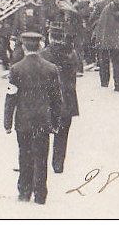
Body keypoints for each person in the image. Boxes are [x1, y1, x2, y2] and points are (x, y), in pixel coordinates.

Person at [3, 32, 63, 205]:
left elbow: (11, 97)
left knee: (24, 155)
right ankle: (40, 195)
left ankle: (24, 192)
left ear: (23, 46)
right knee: (41, 157)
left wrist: (8, 122)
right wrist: (56, 122)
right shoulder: (51, 68)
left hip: (23, 120)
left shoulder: (16, 69)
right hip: (43, 120)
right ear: (40, 46)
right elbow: (56, 99)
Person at [41, 22, 79, 174]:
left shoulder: (44, 54)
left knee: (43, 134)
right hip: (67, 100)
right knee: (62, 135)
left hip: (48, 100)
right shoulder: (72, 54)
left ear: (50, 37)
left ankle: (42, 163)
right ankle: (58, 164)